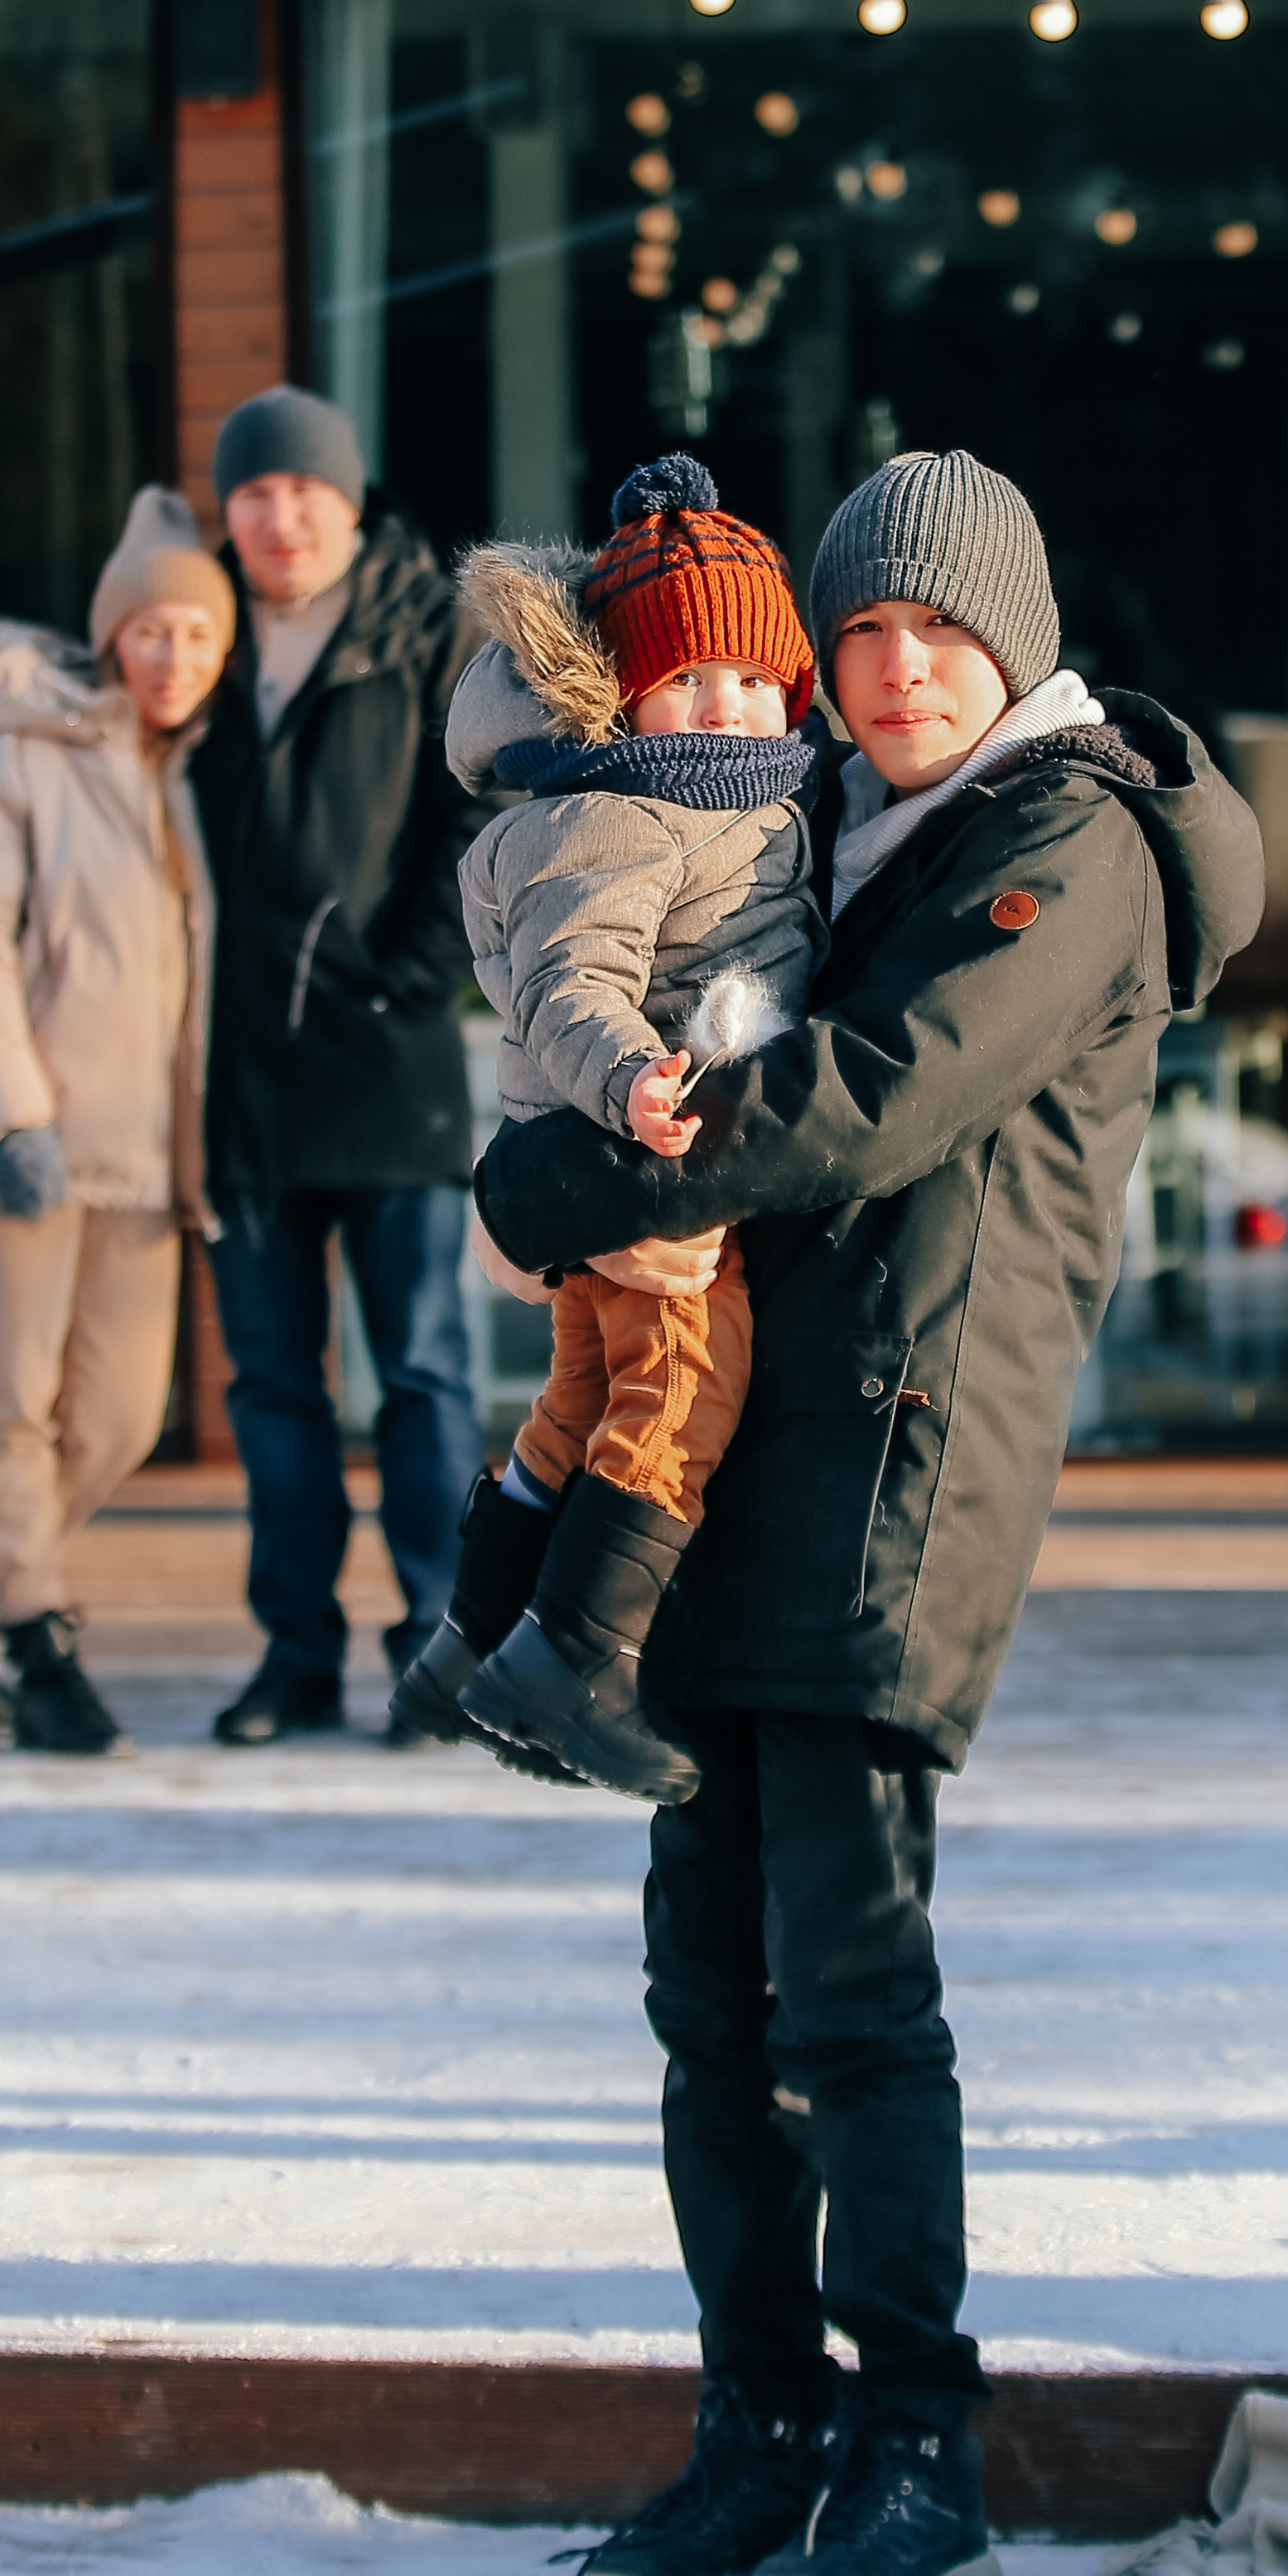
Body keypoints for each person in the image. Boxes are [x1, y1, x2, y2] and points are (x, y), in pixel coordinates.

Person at [471, 451, 1265, 2576]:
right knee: (702, 1995)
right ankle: (759, 2432)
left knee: (847, 1991)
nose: (897, 668)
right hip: (753, 1448)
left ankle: (918, 2449)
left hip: (902, 1466)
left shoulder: (1064, 834)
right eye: (862, 636)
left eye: (937, 632)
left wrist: (585, 1178)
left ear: (1009, 643)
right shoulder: (831, 819)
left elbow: (886, 1088)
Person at [385, 454, 824, 1797]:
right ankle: (574, 1657)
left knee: (581, 1397)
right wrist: (632, 1077)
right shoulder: (629, 815)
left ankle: (469, 1644)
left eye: (757, 681)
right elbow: (574, 981)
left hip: (605, 1166)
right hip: (648, 1166)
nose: (730, 707)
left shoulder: (712, 804)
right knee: (686, 1386)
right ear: (623, 693)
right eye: (693, 680)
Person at [0, 490, 233, 1757]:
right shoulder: (11, 753)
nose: (173, 656)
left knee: (117, 1420)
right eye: (152, 630)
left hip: (126, 1161)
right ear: (111, 635)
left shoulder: (174, 779)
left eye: (199, 634)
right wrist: (14, 1121)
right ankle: (39, 1646)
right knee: (6, 1405)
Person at [188, 385, 490, 1746]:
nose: (280, 516)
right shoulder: (194, 644)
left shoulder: (426, 630)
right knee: (271, 1385)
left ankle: (441, 1645)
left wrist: (404, 980)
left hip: (389, 1066)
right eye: (254, 493)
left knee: (422, 1372)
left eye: (305, 490)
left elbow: (474, 821)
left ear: (352, 500)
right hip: (241, 1081)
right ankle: (295, 1652)